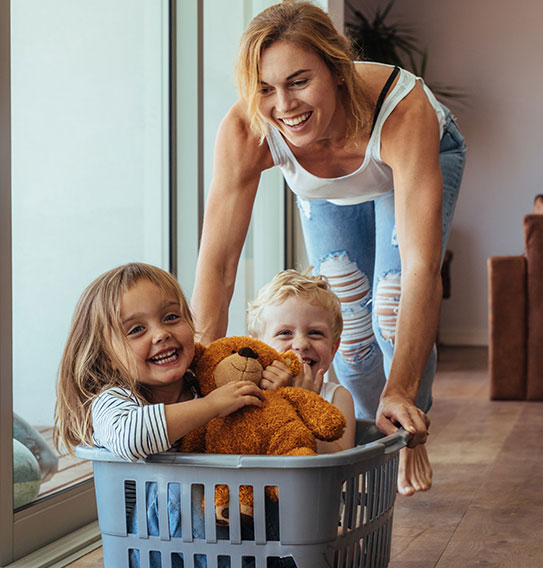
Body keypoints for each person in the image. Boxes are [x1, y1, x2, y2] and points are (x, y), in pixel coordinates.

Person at [191, 0, 467, 495]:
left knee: (389, 302)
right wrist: (198, 376)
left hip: (413, 156)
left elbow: (423, 267)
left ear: (337, 70)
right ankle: (365, 442)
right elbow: (218, 264)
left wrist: (401, 388)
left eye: (299, 81)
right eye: (265, 89)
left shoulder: (402, 109)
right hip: (331, 189)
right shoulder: (248, 128)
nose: (285, 105)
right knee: (351, 330)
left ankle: (407, 426)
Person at [55, 262, 265, 568]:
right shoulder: (114, 400)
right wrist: (213, 406)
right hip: (149, 551)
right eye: (137, 329)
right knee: (174, 486)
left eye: (171, 317)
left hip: (220, 533)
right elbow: (130, 438)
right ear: (108, 358)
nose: (161, 333)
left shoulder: (201, 386)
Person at [247, 268, 356, 453]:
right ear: (259, 346)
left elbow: (340, 461)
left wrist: (304, 403)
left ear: (333, 348)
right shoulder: (249, 391)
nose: (301, 344)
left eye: (315, 333)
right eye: (285, 333)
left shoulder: (337, 397)